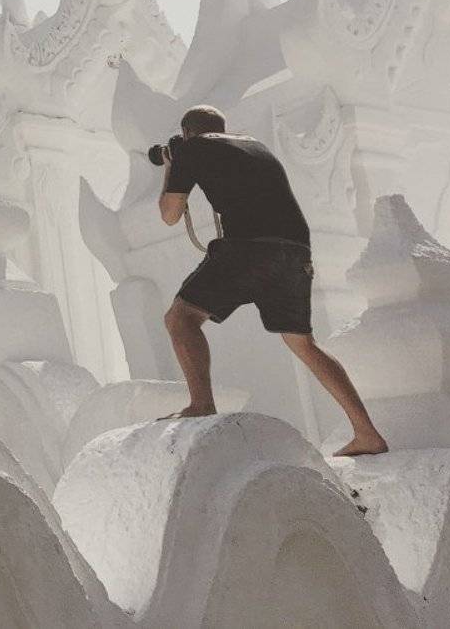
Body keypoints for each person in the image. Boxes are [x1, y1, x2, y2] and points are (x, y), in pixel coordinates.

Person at [158, 104, 388, 457]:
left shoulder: (191, 148)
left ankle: (201, 404)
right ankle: (366, 433)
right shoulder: (256, 146)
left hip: (248, 247)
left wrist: (171, 164)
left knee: (180, 318)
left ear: (187, 133)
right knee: (304, 344)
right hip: (295, 252)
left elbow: (170, 215)